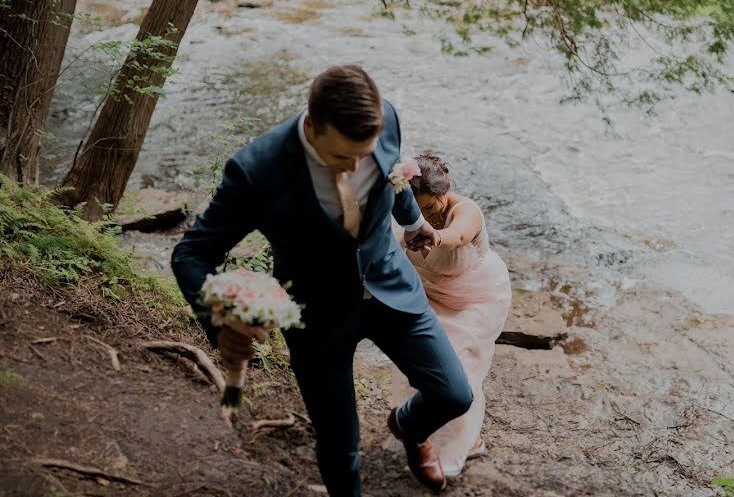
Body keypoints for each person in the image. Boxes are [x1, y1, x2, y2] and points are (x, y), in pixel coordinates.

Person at [171, 65, 472, 496]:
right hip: (317, 315)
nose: (354, 169)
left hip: (392, 289)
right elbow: (191, 254)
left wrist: (413, 222)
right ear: (312, 126)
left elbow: (396, 179)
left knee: (454, 395)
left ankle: (408, 426)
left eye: (364, 155)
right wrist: (223, 321)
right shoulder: (257, 170)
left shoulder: (385, 118)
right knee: (339, 447)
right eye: (340, 158)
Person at [398, 154, 512, 477]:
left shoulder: (466, 211)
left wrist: (433, 234)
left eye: (430, 209)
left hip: (477, 298)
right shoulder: (406, 213)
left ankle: (469, 441)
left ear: (442, 193)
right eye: (415, 211)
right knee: (428, 366)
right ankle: (426, 429)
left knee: (463, 367)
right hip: (431, 295)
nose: (422, 216)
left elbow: (459, 235)